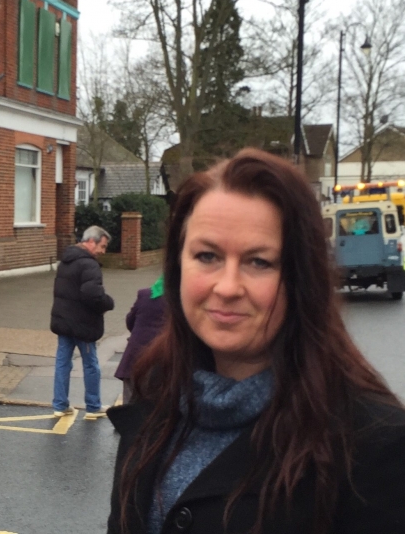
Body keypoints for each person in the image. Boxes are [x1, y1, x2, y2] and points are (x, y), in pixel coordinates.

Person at [107, 148, 405, 534]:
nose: (227, 287)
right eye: (207, 255)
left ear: (302, 278)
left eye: (259, 262)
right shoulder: (155, 392)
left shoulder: (373, 445)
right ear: (178, 266)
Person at [50, 225, 115, 420]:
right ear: (91, 242)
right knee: (90, 364)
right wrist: (108, 302)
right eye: (102, 246)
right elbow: (91, 293)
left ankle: (60, 405)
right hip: (82, 324)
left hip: (63, 321)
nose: (103, 252)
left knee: (63, 363)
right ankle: (93, 406)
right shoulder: (89, 264)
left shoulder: (66, 261)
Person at [114, 276, 166, 403]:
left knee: (128, 410)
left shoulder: (145, 294)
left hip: (133, 360)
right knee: (153, 411)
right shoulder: (180, 301)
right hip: (160, 364)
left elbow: (130, 321)